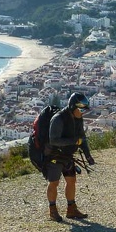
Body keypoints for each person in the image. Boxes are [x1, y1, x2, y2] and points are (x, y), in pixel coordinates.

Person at [44, 92, 95, 221]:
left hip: (67, 156)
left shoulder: (78, 119)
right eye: (81, 109)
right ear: (73, 107)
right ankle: (52, 210)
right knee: (54, 183)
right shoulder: (58, 119)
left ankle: (71, 209)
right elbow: (53, 140)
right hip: (54, 156)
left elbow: (82, 138)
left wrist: (88, 156)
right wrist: (74, 141)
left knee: (71, 181)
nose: (82, 112)